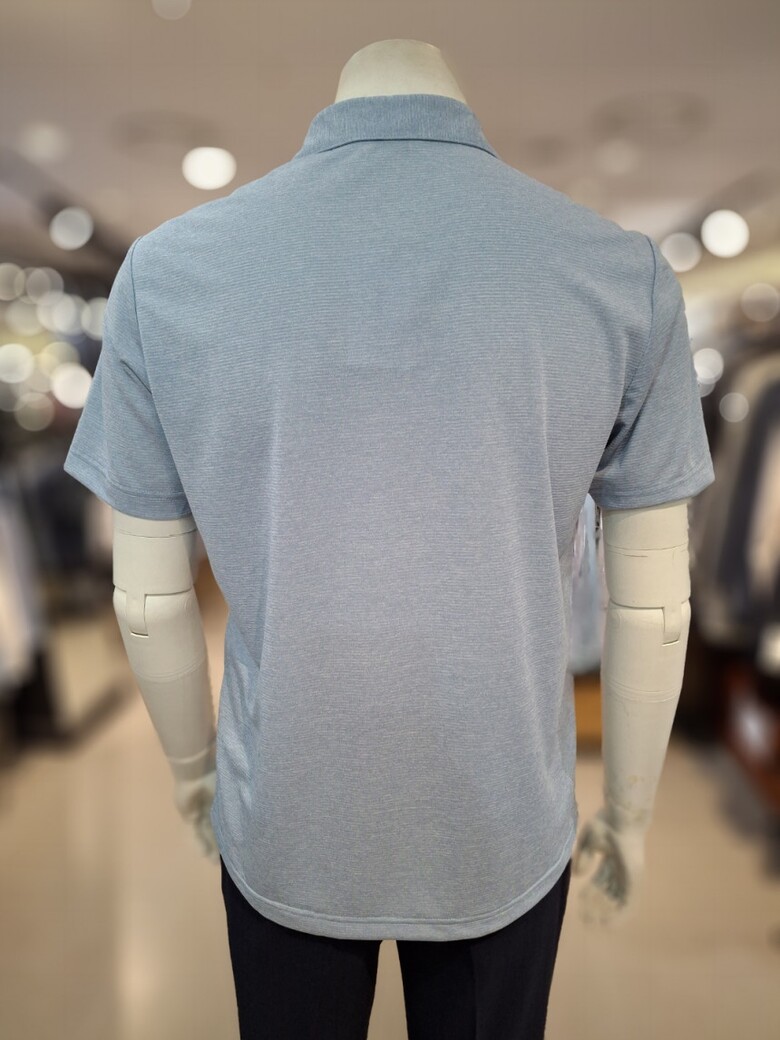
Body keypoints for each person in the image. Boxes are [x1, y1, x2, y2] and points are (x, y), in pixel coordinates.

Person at [63, 37, 715, 1040]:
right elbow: (656, 606)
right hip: (502, 811)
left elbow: (145, 598)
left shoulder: (170, 275)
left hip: (286, 808)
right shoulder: (619, 277)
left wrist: (194, 772)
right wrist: (629, 811)